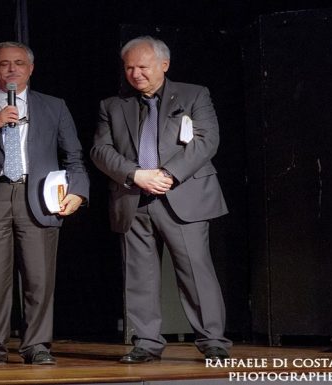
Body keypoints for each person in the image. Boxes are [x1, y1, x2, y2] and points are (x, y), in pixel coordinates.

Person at [0, 41, 90, 366]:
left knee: (39, 277)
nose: (12, 69)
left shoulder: (54, 106)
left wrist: (78, 192)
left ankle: (37, 345)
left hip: (37, 195)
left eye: (19, 63)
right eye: (5, 64)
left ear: (31, 68)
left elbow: (74, 155)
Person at [90, 36, 232, 363]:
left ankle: (213, 341)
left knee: (196, 271)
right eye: (129, 68)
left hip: (182, 194)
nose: (135, 74)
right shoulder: (112, 105)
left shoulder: (194, 94)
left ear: (164, 65)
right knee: (139, 275)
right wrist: (135, 174)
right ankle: (146, 342)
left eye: (143, 67)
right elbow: (100, 150)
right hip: (133, 197)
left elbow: (206, 140)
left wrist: (167, 174)